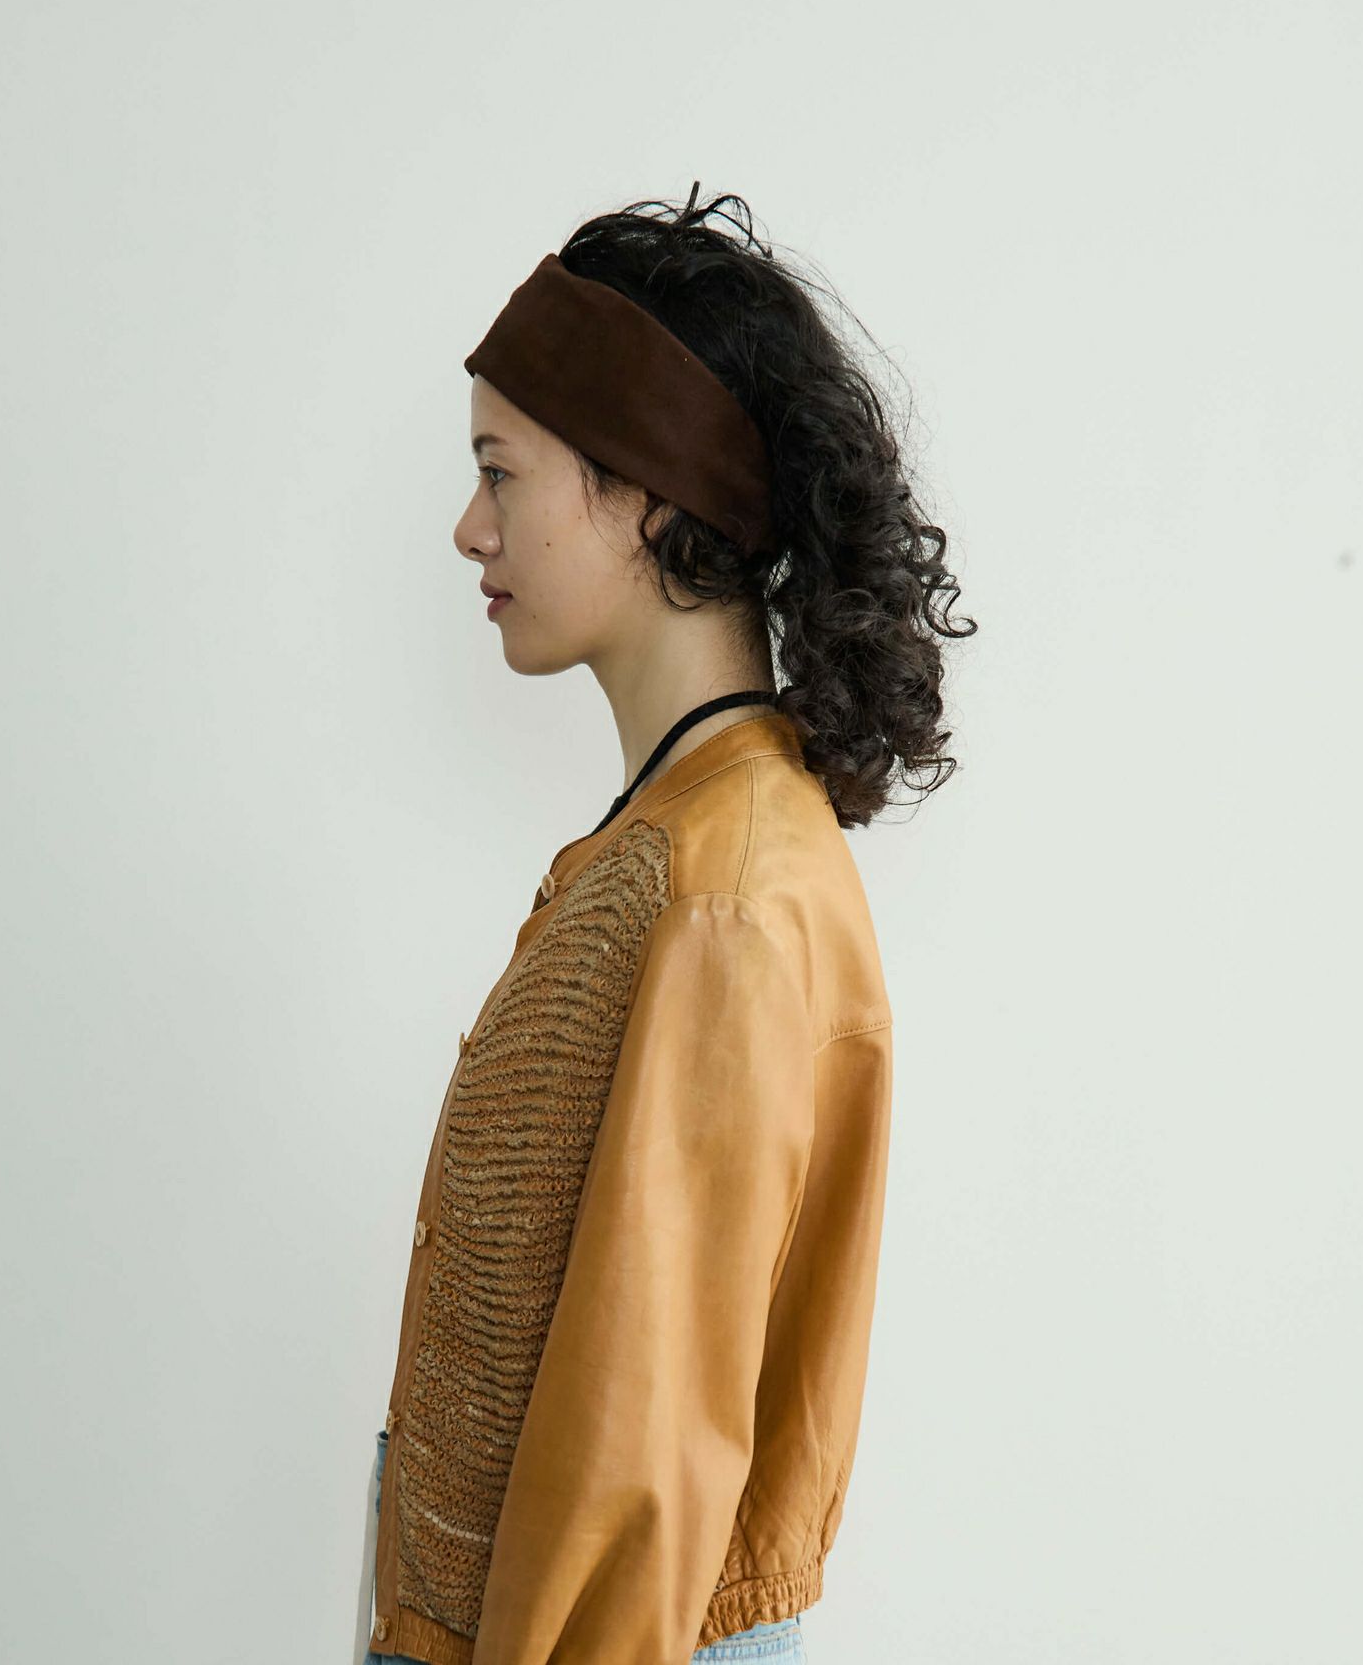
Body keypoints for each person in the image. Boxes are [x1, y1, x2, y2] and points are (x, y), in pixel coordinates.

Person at [358, 185, 974, 1665]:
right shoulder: (679, 844)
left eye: (500, 473)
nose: (468, 527)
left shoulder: (724, 893)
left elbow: (644, 1447)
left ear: (642, 490)